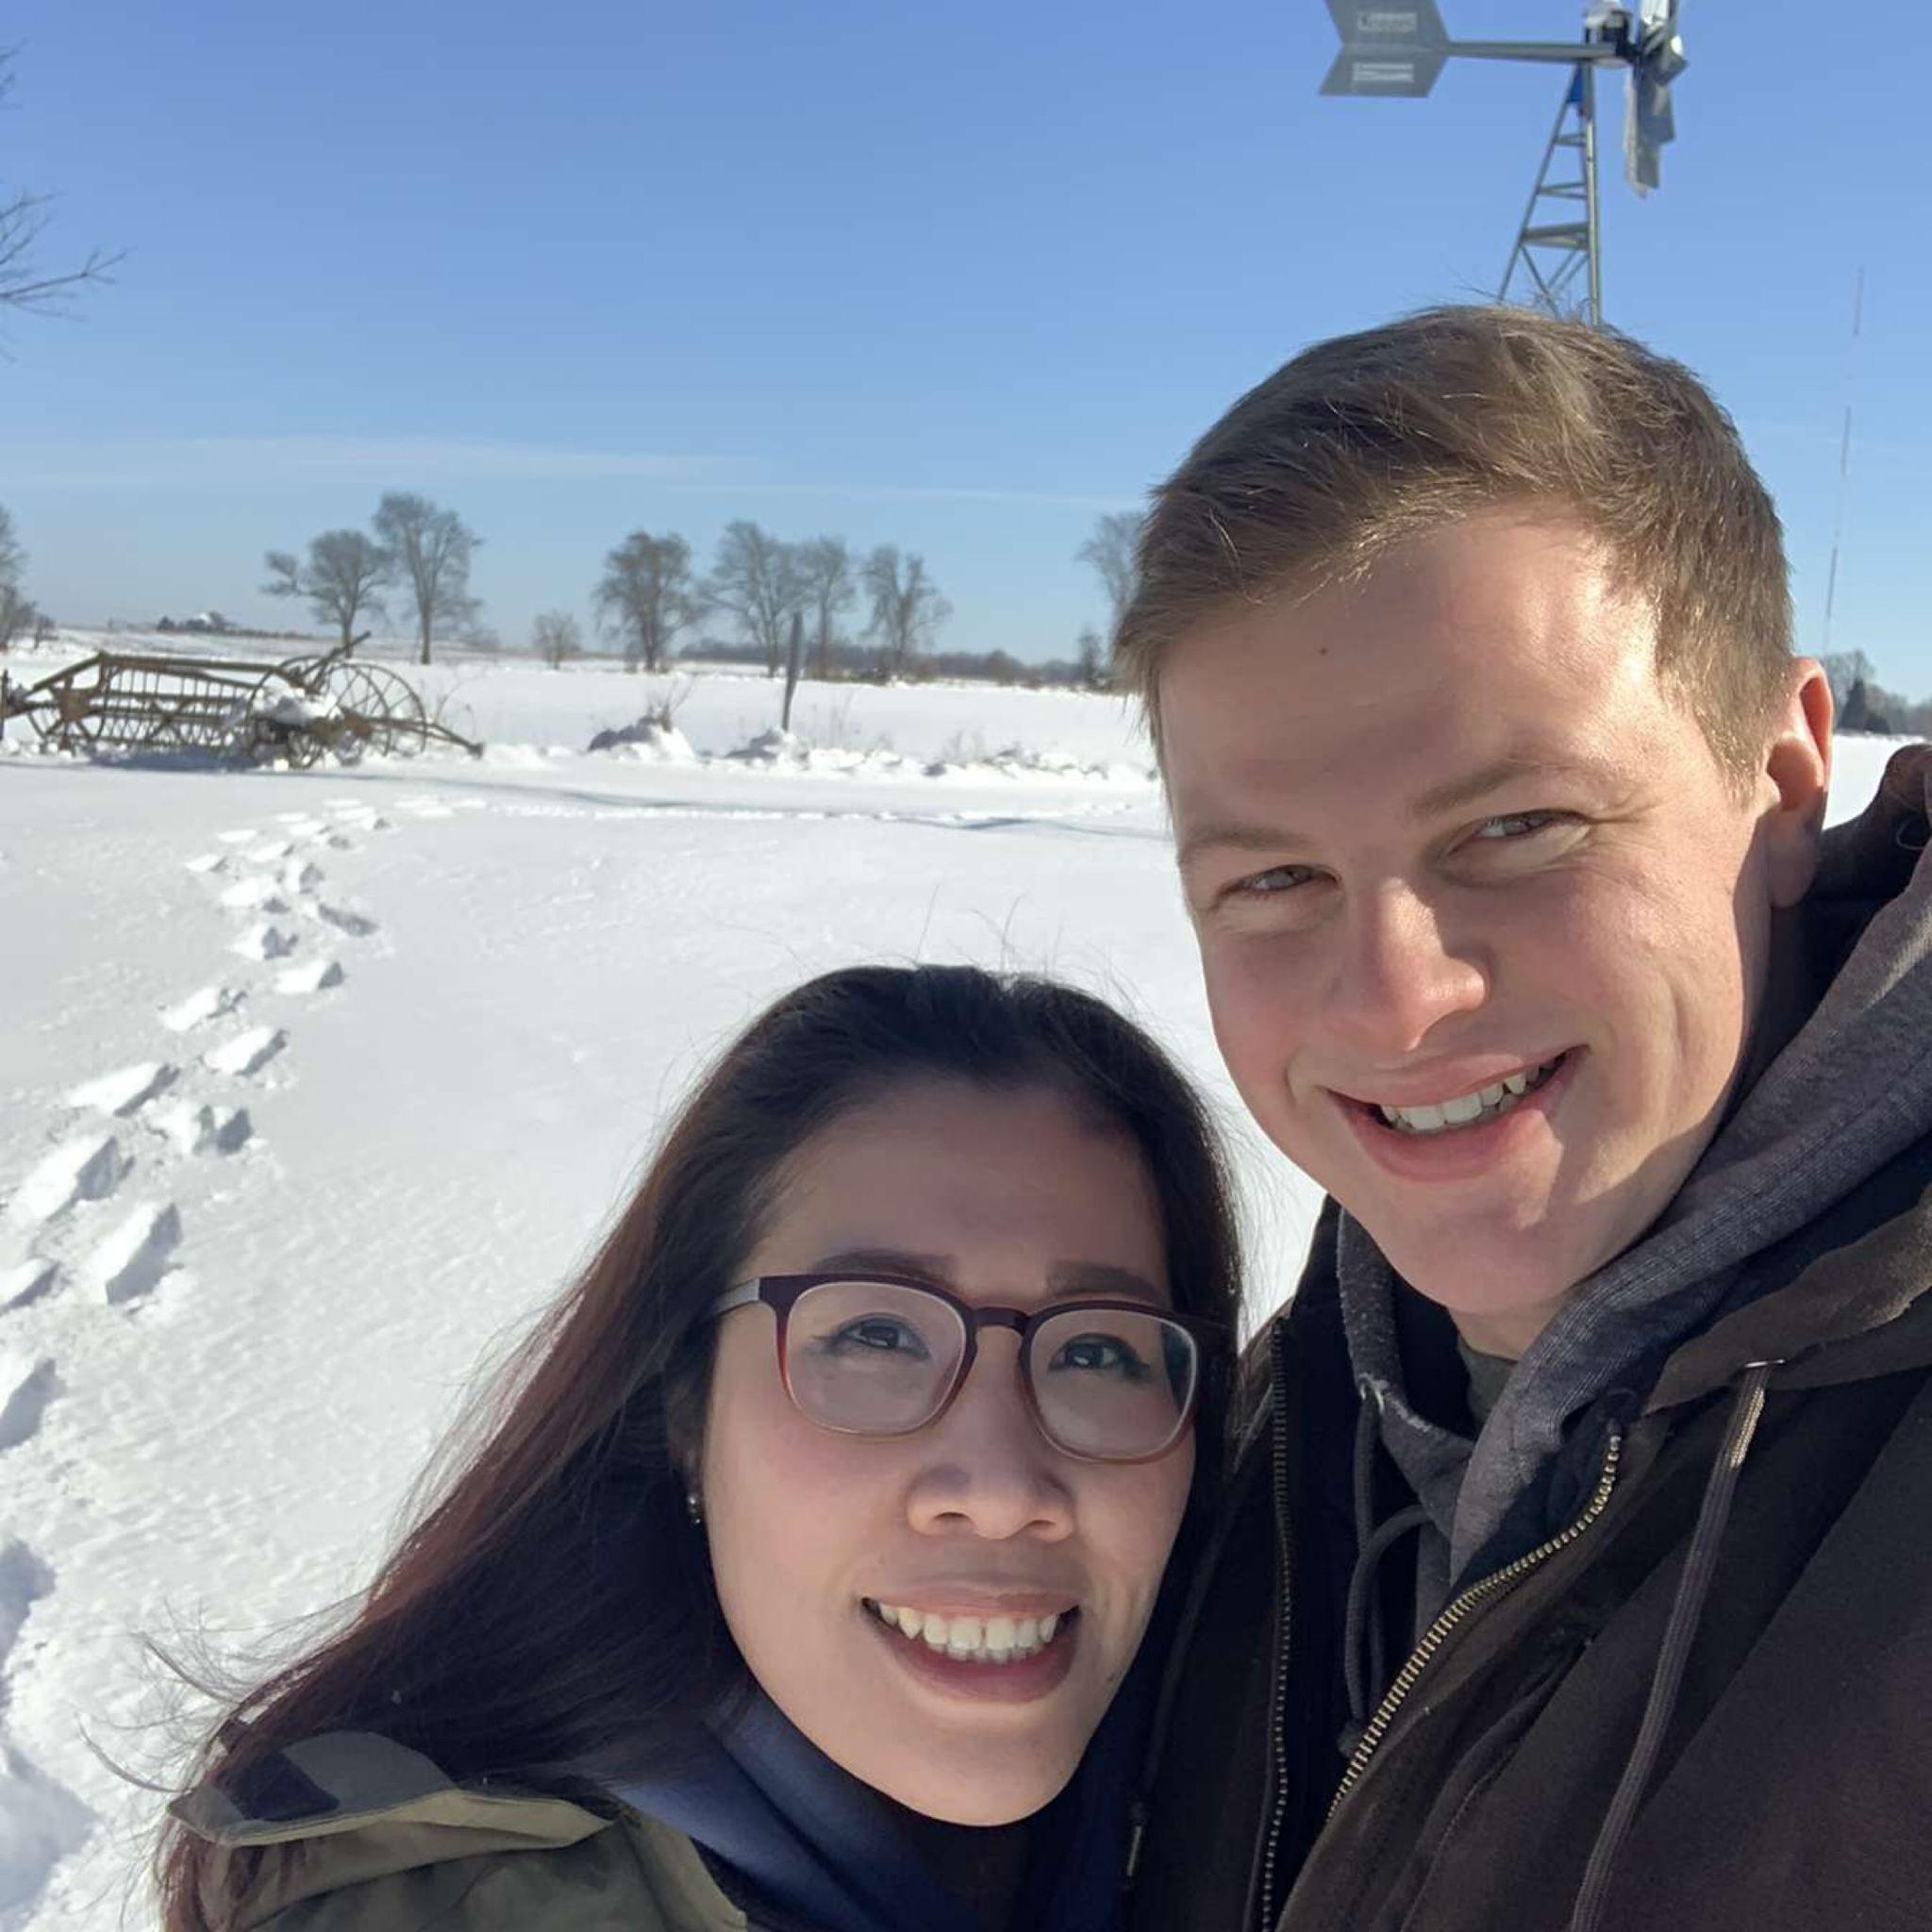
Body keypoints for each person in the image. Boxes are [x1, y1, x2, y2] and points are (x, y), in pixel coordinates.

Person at [1113, 307, 1932, 1931]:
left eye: (1516, 826)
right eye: (1274, 878)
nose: (1392, 1002)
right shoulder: (1263, 1425)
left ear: (1780, 778)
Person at [157, 964, 1239, 1932]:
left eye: (1096, 1351)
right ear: (684, 1406)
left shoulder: (1257, 1791)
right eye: (873, 1336)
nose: (1001, 1488)